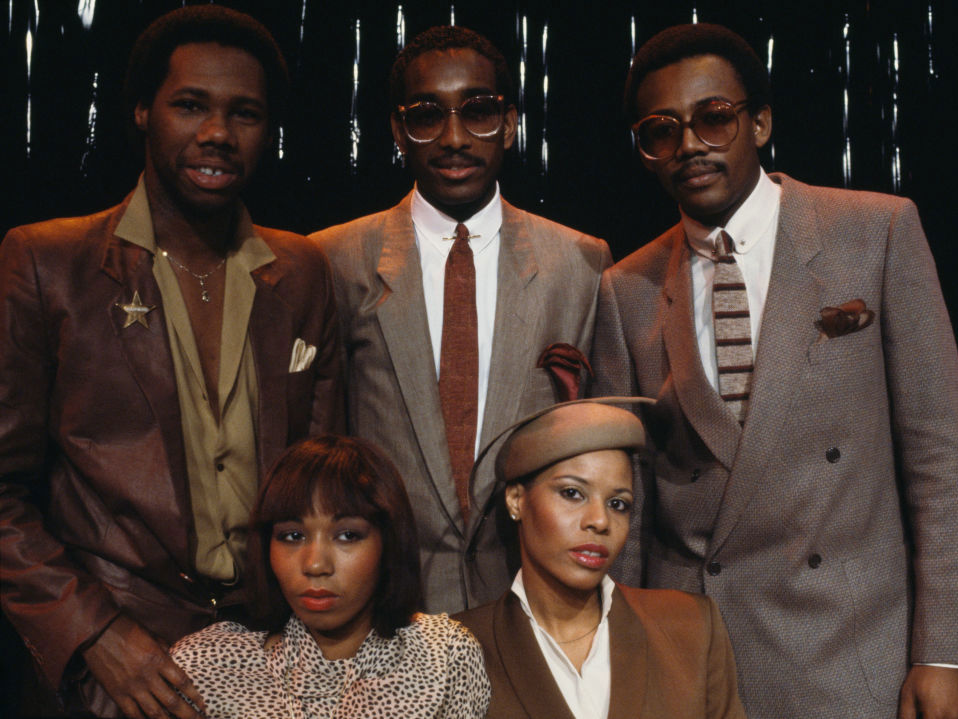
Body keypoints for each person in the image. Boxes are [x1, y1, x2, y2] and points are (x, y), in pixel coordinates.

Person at [590, 22, 958, 719]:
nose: (690, 146)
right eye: (662, 131)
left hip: (852, 653)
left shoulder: (878, 232)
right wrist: (611, 657)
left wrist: (945, 651)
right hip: (694, 656)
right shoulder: (626, 287)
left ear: (760, 121)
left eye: (713, 119)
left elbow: (940, 458)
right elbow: (627, 496)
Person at [0, 6, 340, 717]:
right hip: (114, 666)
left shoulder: (302, 270)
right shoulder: (47, 262)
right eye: (190, 105)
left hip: (268, 655)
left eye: (243, 113)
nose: (217, 133)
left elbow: (324, 483)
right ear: (140, 112)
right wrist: (93, 632)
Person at [312, 26, 612, 614]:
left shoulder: (580, 263)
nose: (453, 138)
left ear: (509, 123)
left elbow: (605, 457)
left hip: (534, 604)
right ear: (399, 131)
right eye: (427, 116)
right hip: (386, 607)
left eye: (477, 111)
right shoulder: (332, 260)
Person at [456, 400, 745, 719]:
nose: (600, 520)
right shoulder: (451, 650)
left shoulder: (689, 627)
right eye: (572, 493)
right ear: (517, 500)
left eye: (618, 504)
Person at [170, 435, 490, 718]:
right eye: (292, 536)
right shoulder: (205, 667)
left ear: (388, 542)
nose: (315, 564)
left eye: (347, 535)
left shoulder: (445, 657)